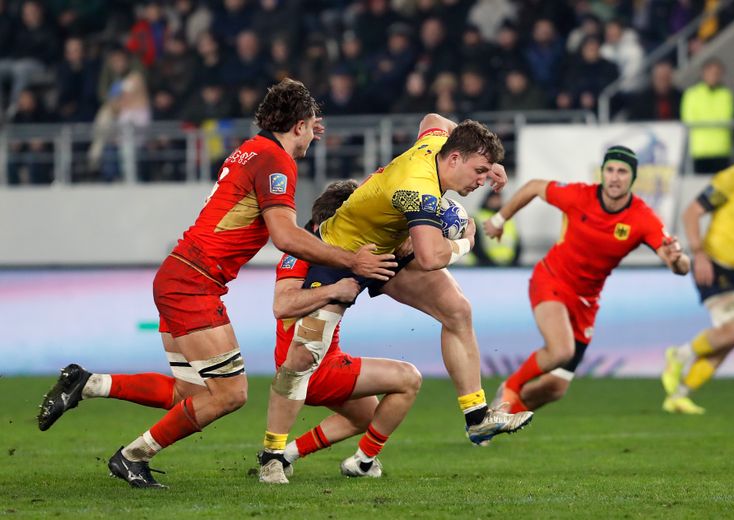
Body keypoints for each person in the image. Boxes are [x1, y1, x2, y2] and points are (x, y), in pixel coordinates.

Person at [36, 79, 396, 488]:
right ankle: (133, 455)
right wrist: (354, 260)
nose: (315, 133)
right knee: (230, 394)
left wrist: (303, 117)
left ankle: (88, 384)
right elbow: (286, 236)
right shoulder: (276, 161)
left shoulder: (251, 150)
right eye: (311, 124)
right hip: (194, 281)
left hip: (178, 273)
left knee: (190, 393)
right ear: (297, 125)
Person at [258, 113, 534, 484]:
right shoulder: (417, 187)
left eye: (486, 172)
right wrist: (468, 239)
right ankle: (273, 455)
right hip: (340, 255)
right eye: (478, 171)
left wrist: (491, 160)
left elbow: (434, 118)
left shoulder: (437, 143)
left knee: (457, 310)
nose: (481, 181)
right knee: (301, 357)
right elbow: (431, 257)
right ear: (454, 160)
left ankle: (476, 416)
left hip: (386, 249)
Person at [484, 146, 690, 413]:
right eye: (610, 170)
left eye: (623, 171)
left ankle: (495, 419)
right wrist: (500, 219)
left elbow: (679, 266)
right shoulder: (579, 195)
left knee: (555, 388)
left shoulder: (642, 218)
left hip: (586, 302)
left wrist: (678, 259)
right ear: (602, 173)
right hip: (552, 280)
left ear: (633, 178)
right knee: (560, 351)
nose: (615, 177)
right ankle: (509, 389)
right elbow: (534, 186)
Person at [273, 180, 422, 479]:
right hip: (311, 367)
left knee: (368, 416)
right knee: (409, 379)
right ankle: (364, 462)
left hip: (323, 360)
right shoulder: (303, 255)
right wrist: (334, 289)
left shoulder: (347, 254)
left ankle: (287, 455)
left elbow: (406, 252)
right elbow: (283, 306)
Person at [661, 127, 734, 414]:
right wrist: (699, 253)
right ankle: (679, 355)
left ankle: (678, 395)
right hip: (713, 263)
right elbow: (691, 212)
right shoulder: (731, 179)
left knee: (729, 339)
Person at [681, 58, 734, 175]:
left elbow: (727, 117)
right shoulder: (692, 94)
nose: (713, 76)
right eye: (710, 72)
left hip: (722, 150)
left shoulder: (726, 94)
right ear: (703, 73)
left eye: (716, 73)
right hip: (699, 150)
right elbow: (688, 120)